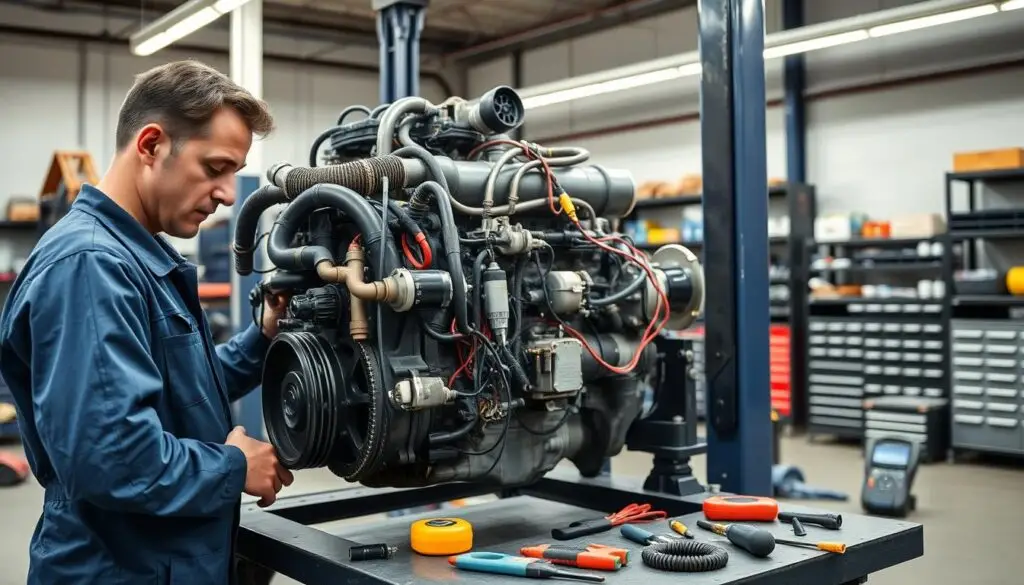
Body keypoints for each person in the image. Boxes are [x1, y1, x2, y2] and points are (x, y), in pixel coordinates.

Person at [0, 60, 294, 585]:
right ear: (152, 145)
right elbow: (111, 457)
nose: (229, 194)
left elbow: (177, 392)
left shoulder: (136, 257)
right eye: (215, 168)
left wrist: (263, 335)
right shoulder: (90, 265)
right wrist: (233, 467)